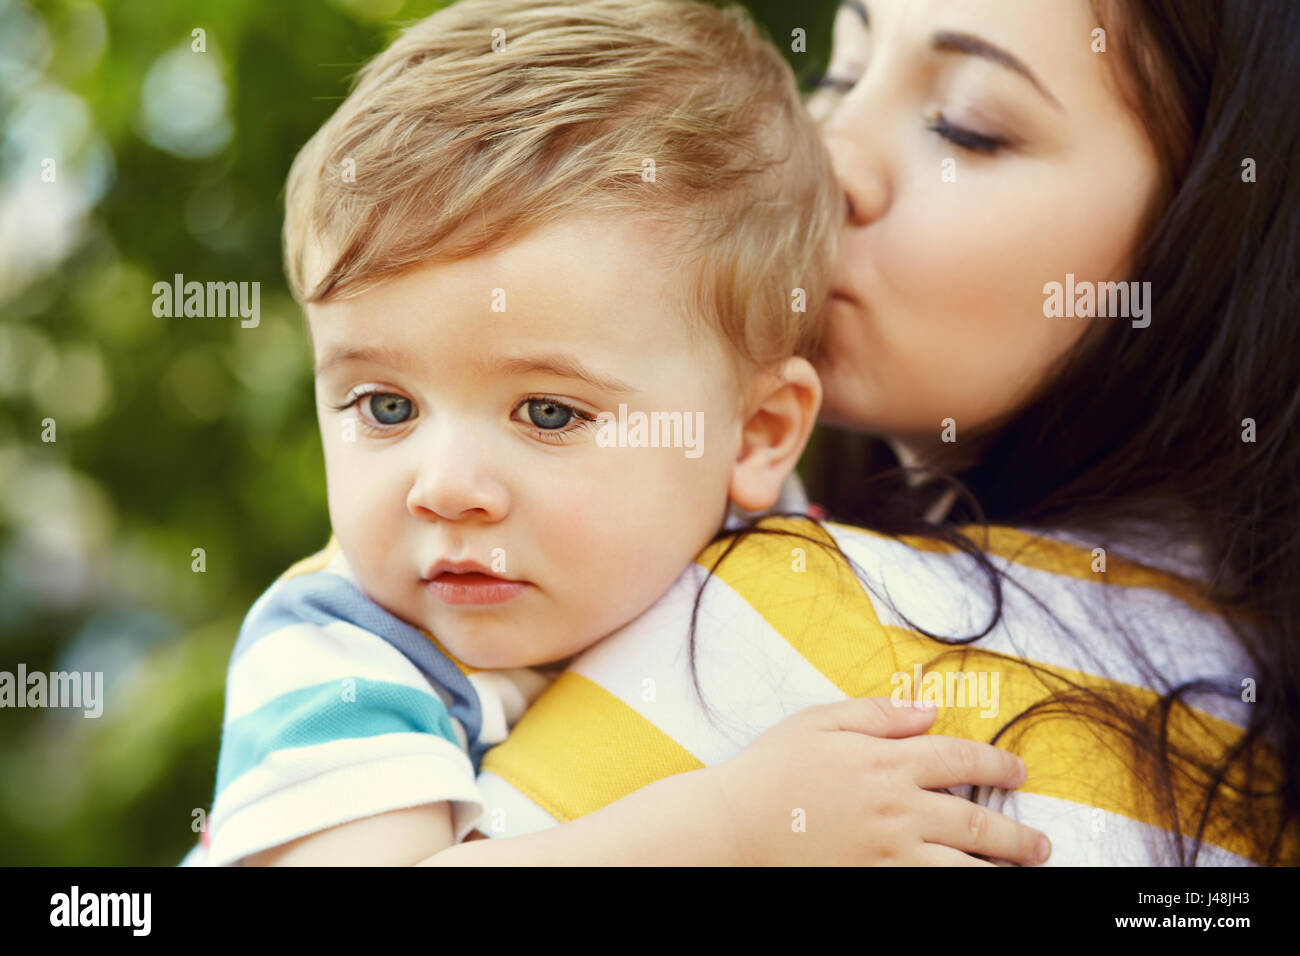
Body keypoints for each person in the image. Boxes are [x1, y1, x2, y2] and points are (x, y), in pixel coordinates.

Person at [180, 0, 1050, 867]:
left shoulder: (786, 566)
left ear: (754, 437)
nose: (441, 486)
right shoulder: (341, 657)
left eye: (549, 412)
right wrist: (737, 829)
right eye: (386, 407)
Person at [456, 0, 1300, 865]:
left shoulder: (787, 625)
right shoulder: (1256, 733)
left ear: (1219, 237)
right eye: (839, 76)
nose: (823, 156)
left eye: (965, 128)